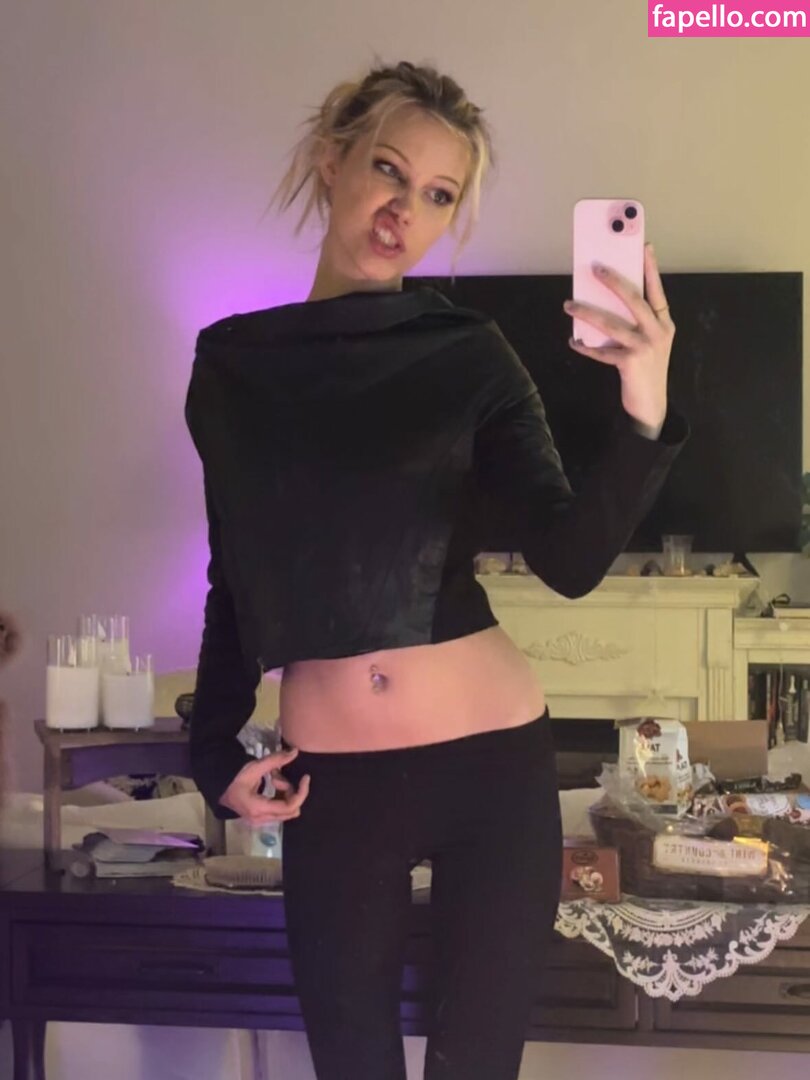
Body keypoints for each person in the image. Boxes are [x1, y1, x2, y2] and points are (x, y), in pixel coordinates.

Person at [184, 59, 687, 1080]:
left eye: (439, 195)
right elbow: (236, 571)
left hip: (489, 768)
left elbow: (570, 559)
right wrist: (211, 749)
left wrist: (644, 406)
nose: (402, 211)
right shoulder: (231, 365)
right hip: (332, 785)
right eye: (387, 170)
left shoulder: (468, 352)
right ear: (331, 161)